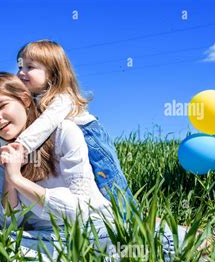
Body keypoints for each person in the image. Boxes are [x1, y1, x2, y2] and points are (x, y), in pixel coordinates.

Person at [0, 72, 184, 262]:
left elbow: (79, 210)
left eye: (2, 106)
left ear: (24, 99)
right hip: (44, 239)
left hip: (92, 231)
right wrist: (9, 179)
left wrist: (19, 180)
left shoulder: (64, 132)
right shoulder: (0, 152)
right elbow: (8, 224)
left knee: (165, 238)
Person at [13, 39, 134, 205]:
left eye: (30, 67)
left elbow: (47, 122)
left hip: (90, 139)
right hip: (68, 143)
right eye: (20, 67)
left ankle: (130, 217)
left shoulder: (63, 97)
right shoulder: (33, 100)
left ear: (52, 73)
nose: (21, 72)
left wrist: (21, 146)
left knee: (109, 182)